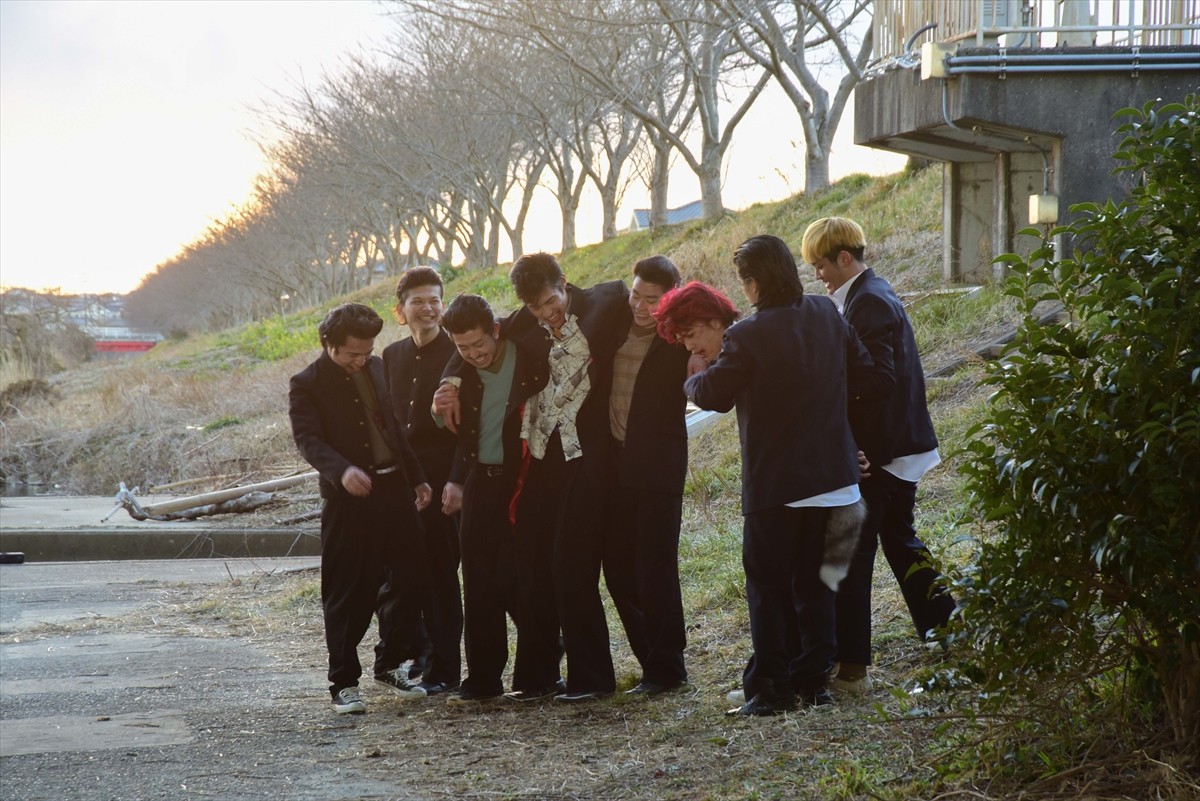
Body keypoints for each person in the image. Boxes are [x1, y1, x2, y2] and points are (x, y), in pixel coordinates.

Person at [674, 236, 879, 717]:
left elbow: (714, 395)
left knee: (768, 589)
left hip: (779, 486)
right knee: (817, 589)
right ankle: (813, 685)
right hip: (837, 480)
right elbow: (864, 373)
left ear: (753, 282)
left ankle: (771, 690)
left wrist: (692, 374)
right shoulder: (829, 313)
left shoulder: (748, 334)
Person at [436, 252, 629, 702]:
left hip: (592, 456)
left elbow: (633, 297)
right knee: (543, 570)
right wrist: (449, 381)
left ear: (564, 283)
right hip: (545, 461)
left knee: (570, 568)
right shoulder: (521, 328)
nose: (547, 312)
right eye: (536, 307)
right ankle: (541, 678)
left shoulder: (605, 303)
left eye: (550, 300)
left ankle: (591, 677)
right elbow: (470, 345)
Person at [802, 217, 956, 694]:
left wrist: (853, 441)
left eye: (821, 264)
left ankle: (851, 668)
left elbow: (878, 381)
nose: (818, 275)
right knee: (898, 539)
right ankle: (948, 628)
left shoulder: (866, 302)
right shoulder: (870, 292)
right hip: (900, 446)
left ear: (844, 258)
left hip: (885, 452)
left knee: (850, 554)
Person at [287, 302, 433, 714]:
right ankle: (343, 684)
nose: (360, 361)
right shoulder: (307, 383)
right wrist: (342, 470)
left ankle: (390, 663)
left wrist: (417, 476)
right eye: (352, 354)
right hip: (347, 500)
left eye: (366, 352)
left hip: (393, 489)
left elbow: (393, 427)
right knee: (349, 592)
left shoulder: (377, 367)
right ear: (328, 344)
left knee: (412, 576)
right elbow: (308, 440)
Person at [435, 294, 555, 704]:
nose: (473, 355)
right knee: (479, 582)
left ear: (496, 331)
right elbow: (442, 418)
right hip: (479, 482)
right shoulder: (460, 372)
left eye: (479, 345)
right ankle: (483, 680)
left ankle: (539, 674)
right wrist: (445, 388)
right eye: (462, 348)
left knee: (525, 578)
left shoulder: (527, 353)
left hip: (526, 480)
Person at [603, 256, 692, 696]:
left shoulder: (679, 339)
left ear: (670, 298)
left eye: (651, 300)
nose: (639, 305)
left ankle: (668, 668)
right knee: (618, 568)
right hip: (613, 467)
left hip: (658, 468)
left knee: (655, 567)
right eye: (635, 294)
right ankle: (650, 659)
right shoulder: (613, 322)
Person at [381, 267, 464, 695]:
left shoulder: (458, 353)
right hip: (404, 485)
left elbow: (468, 430)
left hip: (445, 483)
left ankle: (446, 670)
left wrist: (455, 481)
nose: (428, 308)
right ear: (401, 311)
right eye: (418, 301)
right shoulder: (391, 357)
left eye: (435, 300)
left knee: (441, 577)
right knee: (405, 574)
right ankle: (416, 657)